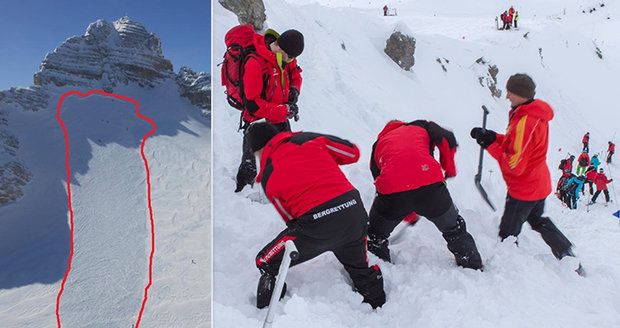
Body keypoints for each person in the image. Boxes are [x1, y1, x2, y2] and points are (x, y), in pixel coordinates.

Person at [247, 122, 386, 310]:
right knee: (359, 269)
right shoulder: (308, 139)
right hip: (353, 212)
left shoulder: (268, 176)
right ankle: (377, 304)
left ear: (258, 150)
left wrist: (320, 230)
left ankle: (269, 304)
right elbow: (352, 153)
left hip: (317, 225)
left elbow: (291, 220)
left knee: (265, 261)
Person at [470, 73, 575, 260]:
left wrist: (489, 145)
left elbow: (514, 165)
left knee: (508, 234)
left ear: (521, 94)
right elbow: (515, 145)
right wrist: (493, 137)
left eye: (510, 92)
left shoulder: (526, 122)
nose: (507, 96)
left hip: (524, 189)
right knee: (537, 220)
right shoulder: (530, 113)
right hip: (537, 183)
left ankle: (508, 268)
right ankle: (566, 253)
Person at [366, 120, 483, 270]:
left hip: (393, 194)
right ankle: (472, 265)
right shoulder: (422, 126)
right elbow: (447, 138)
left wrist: (407, 214)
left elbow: (378, 181)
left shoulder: (379, 144)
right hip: (431, 188)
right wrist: (449, 167)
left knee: (375, 235)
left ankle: (379, 271)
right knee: (454, 229)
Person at [234, 28, 305, 192]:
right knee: (249, 167)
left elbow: (296, 73)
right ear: (283, 50)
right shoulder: (255, 63)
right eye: (293, 57)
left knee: (288, 155)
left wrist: (294, 89)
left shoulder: (285, 58)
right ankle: (241, 197)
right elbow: (253, 105)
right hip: (256, 121)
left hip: (279, 115)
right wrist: (284, 110)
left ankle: (288, 189)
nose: (293, 61)